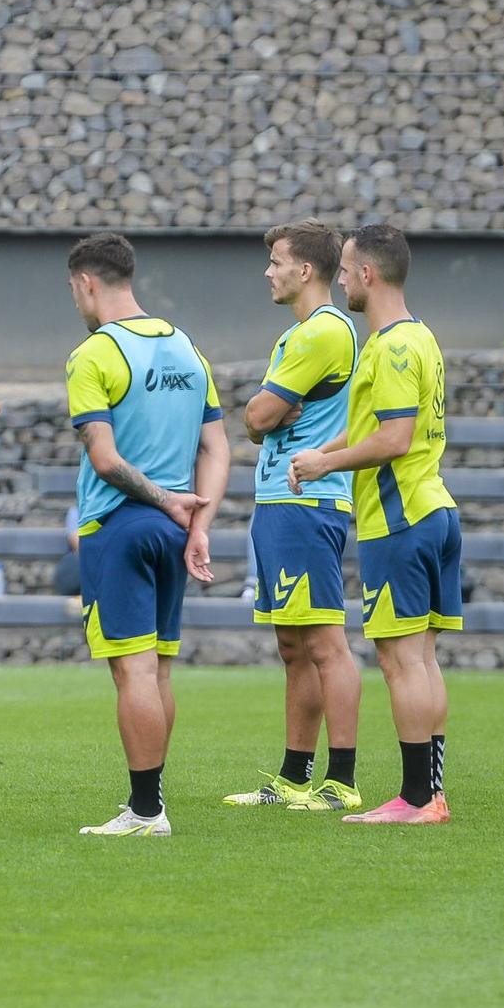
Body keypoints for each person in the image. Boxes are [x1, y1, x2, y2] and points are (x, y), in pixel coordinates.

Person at [290, 225, 460, 826]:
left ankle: (415, 800)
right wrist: (324, 453)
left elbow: (393, 438)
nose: (338, 279)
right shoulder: (421, 338)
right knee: (424, 659)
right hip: (434, 507)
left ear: (367, 274)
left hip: (399, 519)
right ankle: (432, 793)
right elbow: (374, 424)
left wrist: (325, 461)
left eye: (343, 269)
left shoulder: (387, 347)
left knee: (401, 662)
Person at [62, 233, 229, 837]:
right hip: (173, 528)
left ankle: (145, 811)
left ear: (86, 283)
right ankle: (152, 802)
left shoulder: (94, 354)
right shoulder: (187, 348)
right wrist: (196, 522)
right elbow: (217, 446)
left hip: (120, 525)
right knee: (157, 669)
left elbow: (104, 459)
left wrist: (160, 498)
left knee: (132, 672)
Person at [225, 220, 364, 813]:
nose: (268, 271)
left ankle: (341, 782)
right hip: (283, 503)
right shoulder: (305, 333)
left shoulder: (322, 332)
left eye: (277, 261)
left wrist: (268, 416)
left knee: (326, 643)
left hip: (307, 503)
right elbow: (261, 419)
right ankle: (293, 777)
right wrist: (268, 417)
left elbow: (255, 416)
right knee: (293, 644)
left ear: (305, 270)